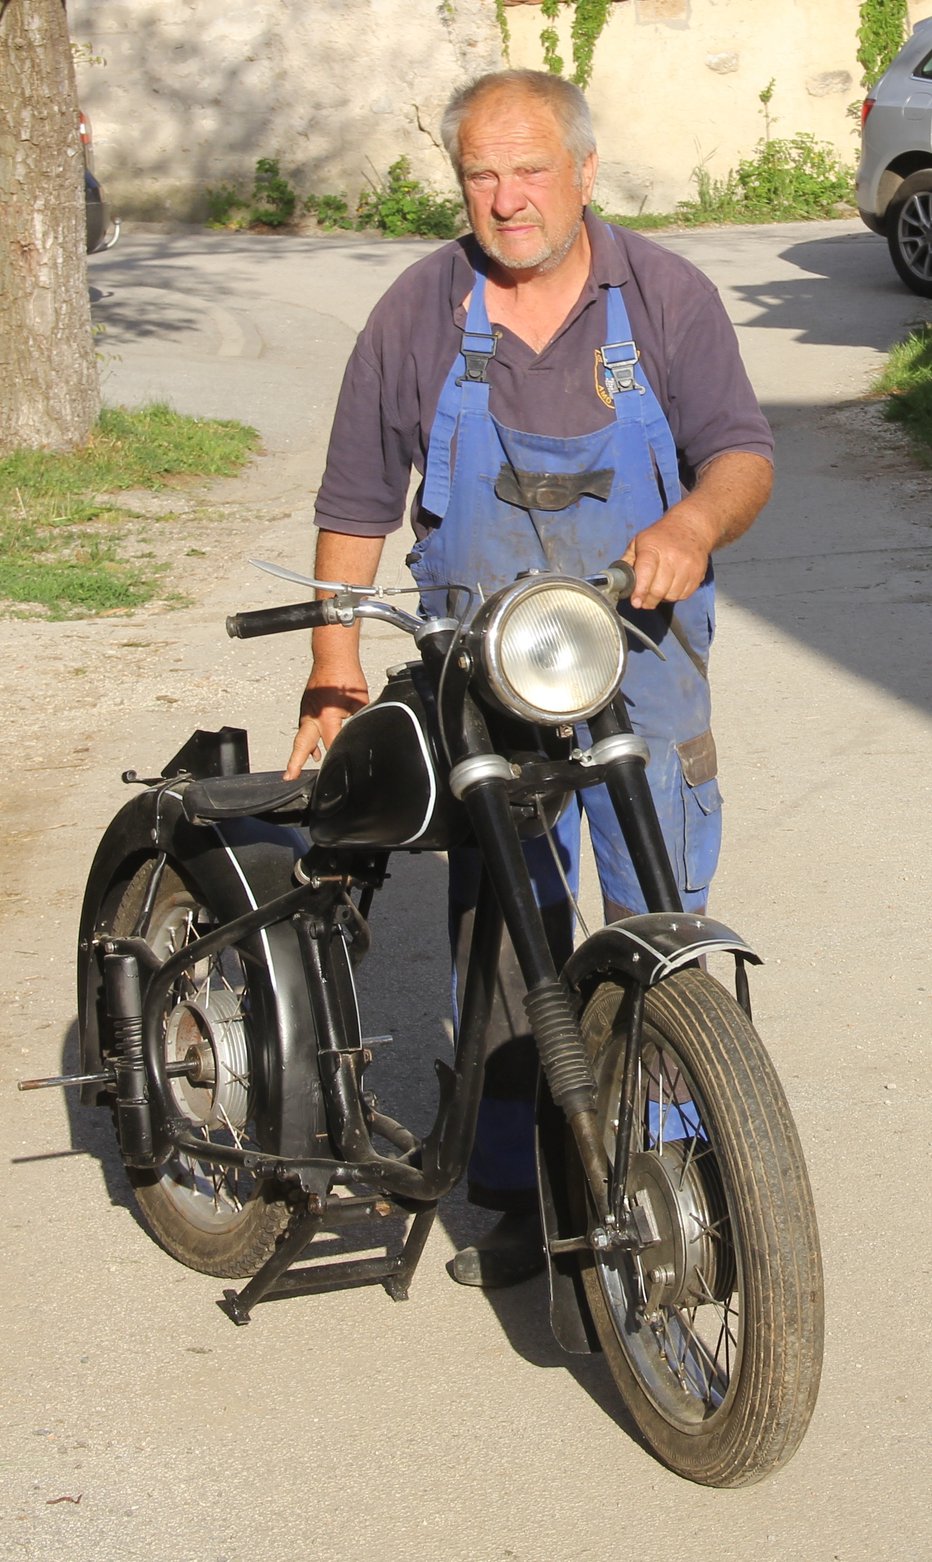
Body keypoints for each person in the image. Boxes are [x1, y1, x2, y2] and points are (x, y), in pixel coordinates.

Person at [284, 68, 774, 1288]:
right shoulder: (416, 311)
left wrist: (693, 526)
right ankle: (522, 1186)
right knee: (503, 925)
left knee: (659, 915)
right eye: (480, 175)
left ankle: (680, 1178)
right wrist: (333, 666)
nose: (505, 200)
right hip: (480, 672)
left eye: (529, 170)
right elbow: (354, 502)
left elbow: (740, 455)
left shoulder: (661, 296)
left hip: (640, 659)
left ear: (584, 171)